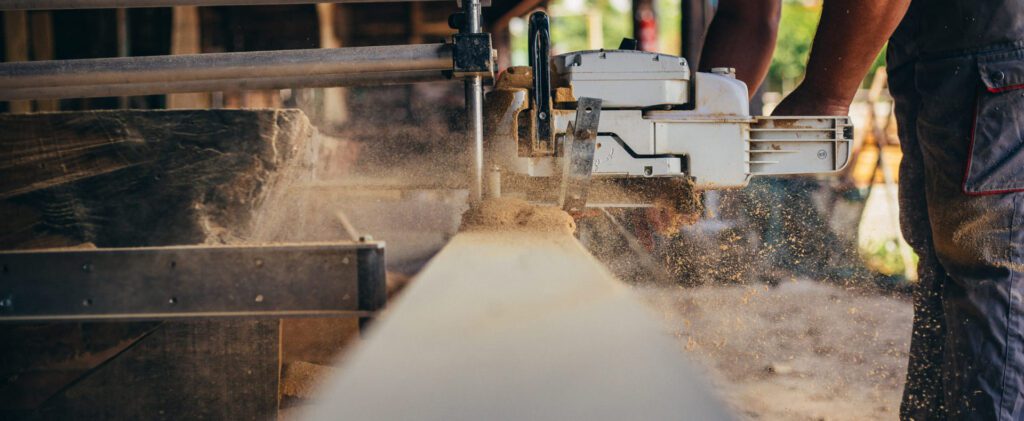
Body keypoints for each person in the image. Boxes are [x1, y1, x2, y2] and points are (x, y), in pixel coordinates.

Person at [700, 1, 1024, 419]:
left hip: (996, 57)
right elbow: (745, 14)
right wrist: (694, 147)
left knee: (987, 269)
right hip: (935, 64)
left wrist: (825, 94)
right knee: (943, 273)